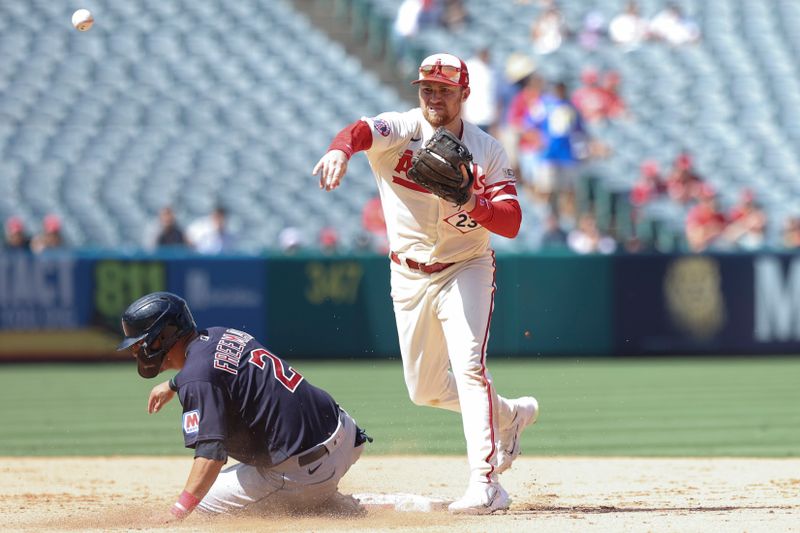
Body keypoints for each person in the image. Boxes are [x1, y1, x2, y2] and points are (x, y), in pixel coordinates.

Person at [312, 53, 539, 515]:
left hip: (466, 267)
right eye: (426, 88)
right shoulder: (402, 130)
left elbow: (512, 221)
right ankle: (509, 416)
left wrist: (471, 200)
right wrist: (340, 149)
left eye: (444, 89)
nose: (434, 97)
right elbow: (359, 130)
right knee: (425, 389)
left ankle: (486, 483)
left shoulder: (487, 150)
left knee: (470, 366)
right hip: (408, 274)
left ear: (464, 94)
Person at [116, 292, 369, 523]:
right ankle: (322, 497)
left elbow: (211, 455)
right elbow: (212, 370)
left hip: (305, 471)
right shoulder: (218, 334)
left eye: (141, 343)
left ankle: (316, 501)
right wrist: (172, 384)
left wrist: (177, 513)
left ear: (165, 335)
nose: (137, 350)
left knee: (201, 506)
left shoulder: (197, 377)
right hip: (345, 435)